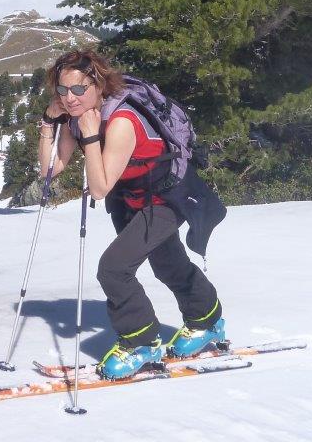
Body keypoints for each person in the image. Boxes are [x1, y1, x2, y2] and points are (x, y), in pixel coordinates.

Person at [38, 49, 225, 380]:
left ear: (98, 85)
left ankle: (141, 343)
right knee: (168, 263)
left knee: (114, 269)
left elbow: (99, 189)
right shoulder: (73, 115)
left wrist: (93, 137)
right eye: (63, 90)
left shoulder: (122, 122)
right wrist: (48, 123)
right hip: (133, 198)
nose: (70, 98)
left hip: (166, 195)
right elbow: (51, 169)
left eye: (79, 89)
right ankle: (206, 321)